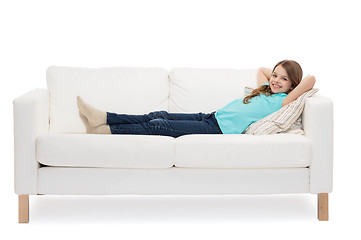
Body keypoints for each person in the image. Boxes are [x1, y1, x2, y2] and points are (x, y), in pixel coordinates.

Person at [77, 60, 316, 137]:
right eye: (275, 75)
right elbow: (263, 70)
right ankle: (104, 116)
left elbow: (311, 80)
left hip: (218, 129)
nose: (275, 80)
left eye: (283, 79)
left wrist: (291, 84)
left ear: (292, 85)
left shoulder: (283, 101)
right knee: (157, 115)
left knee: (160, 126)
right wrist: (274, 75)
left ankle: (108, 129)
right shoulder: (265, 89)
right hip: (211, 116)